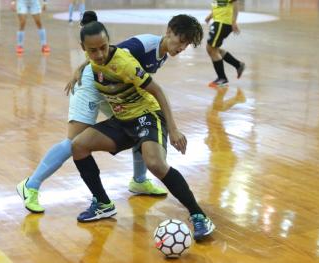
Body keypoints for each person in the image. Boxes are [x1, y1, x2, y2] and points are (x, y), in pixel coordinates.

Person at [16, 11, 204, 214]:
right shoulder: (143, 45)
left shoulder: (162, 54)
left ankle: (139, 181)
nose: (182, 47)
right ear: (169, 31)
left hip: (113, 88)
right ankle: (30, 185)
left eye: (187, 45)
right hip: (91, 82)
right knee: (74, 141)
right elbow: (105, 54)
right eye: (181, 41)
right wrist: (81, 68)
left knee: (138, 120)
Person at [70, 20, 215, 241]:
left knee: (155, 164)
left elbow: (157, 90)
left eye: (103, 47)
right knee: (78, 146)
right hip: (122, 119)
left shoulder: (125, 62)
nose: (99, 54)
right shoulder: (94, 63)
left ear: (109, 42)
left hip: (147, 115)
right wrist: (79, 68)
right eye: (93, 50)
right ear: (84, 49)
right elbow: (93, 63)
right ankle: (102, 203)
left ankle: (198, 215)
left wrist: (174, 129)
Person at [205, 0, 245, 88]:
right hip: (218, 22)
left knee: (211, 49)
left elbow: (235, 4)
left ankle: (222, 78)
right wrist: (210, 16)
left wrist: (234, 22)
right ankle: (238, 65)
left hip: (223, 23)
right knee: (213, 49)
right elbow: (219, 6)